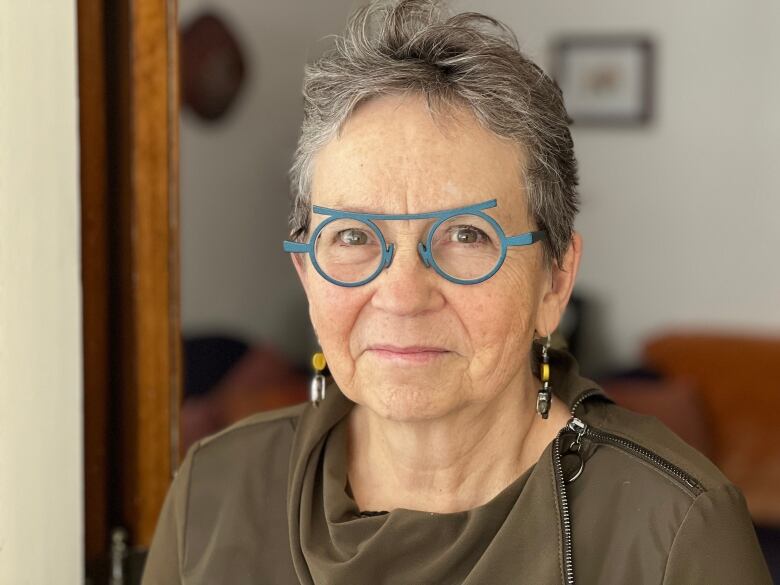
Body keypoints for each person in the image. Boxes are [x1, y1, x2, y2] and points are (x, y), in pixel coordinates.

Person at [142, 1, 772, 583]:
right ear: (308, 273)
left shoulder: (678, 529)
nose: (403, 294)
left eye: (466, 234)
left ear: (555, 280)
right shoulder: (211, 492)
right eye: (355, 234)